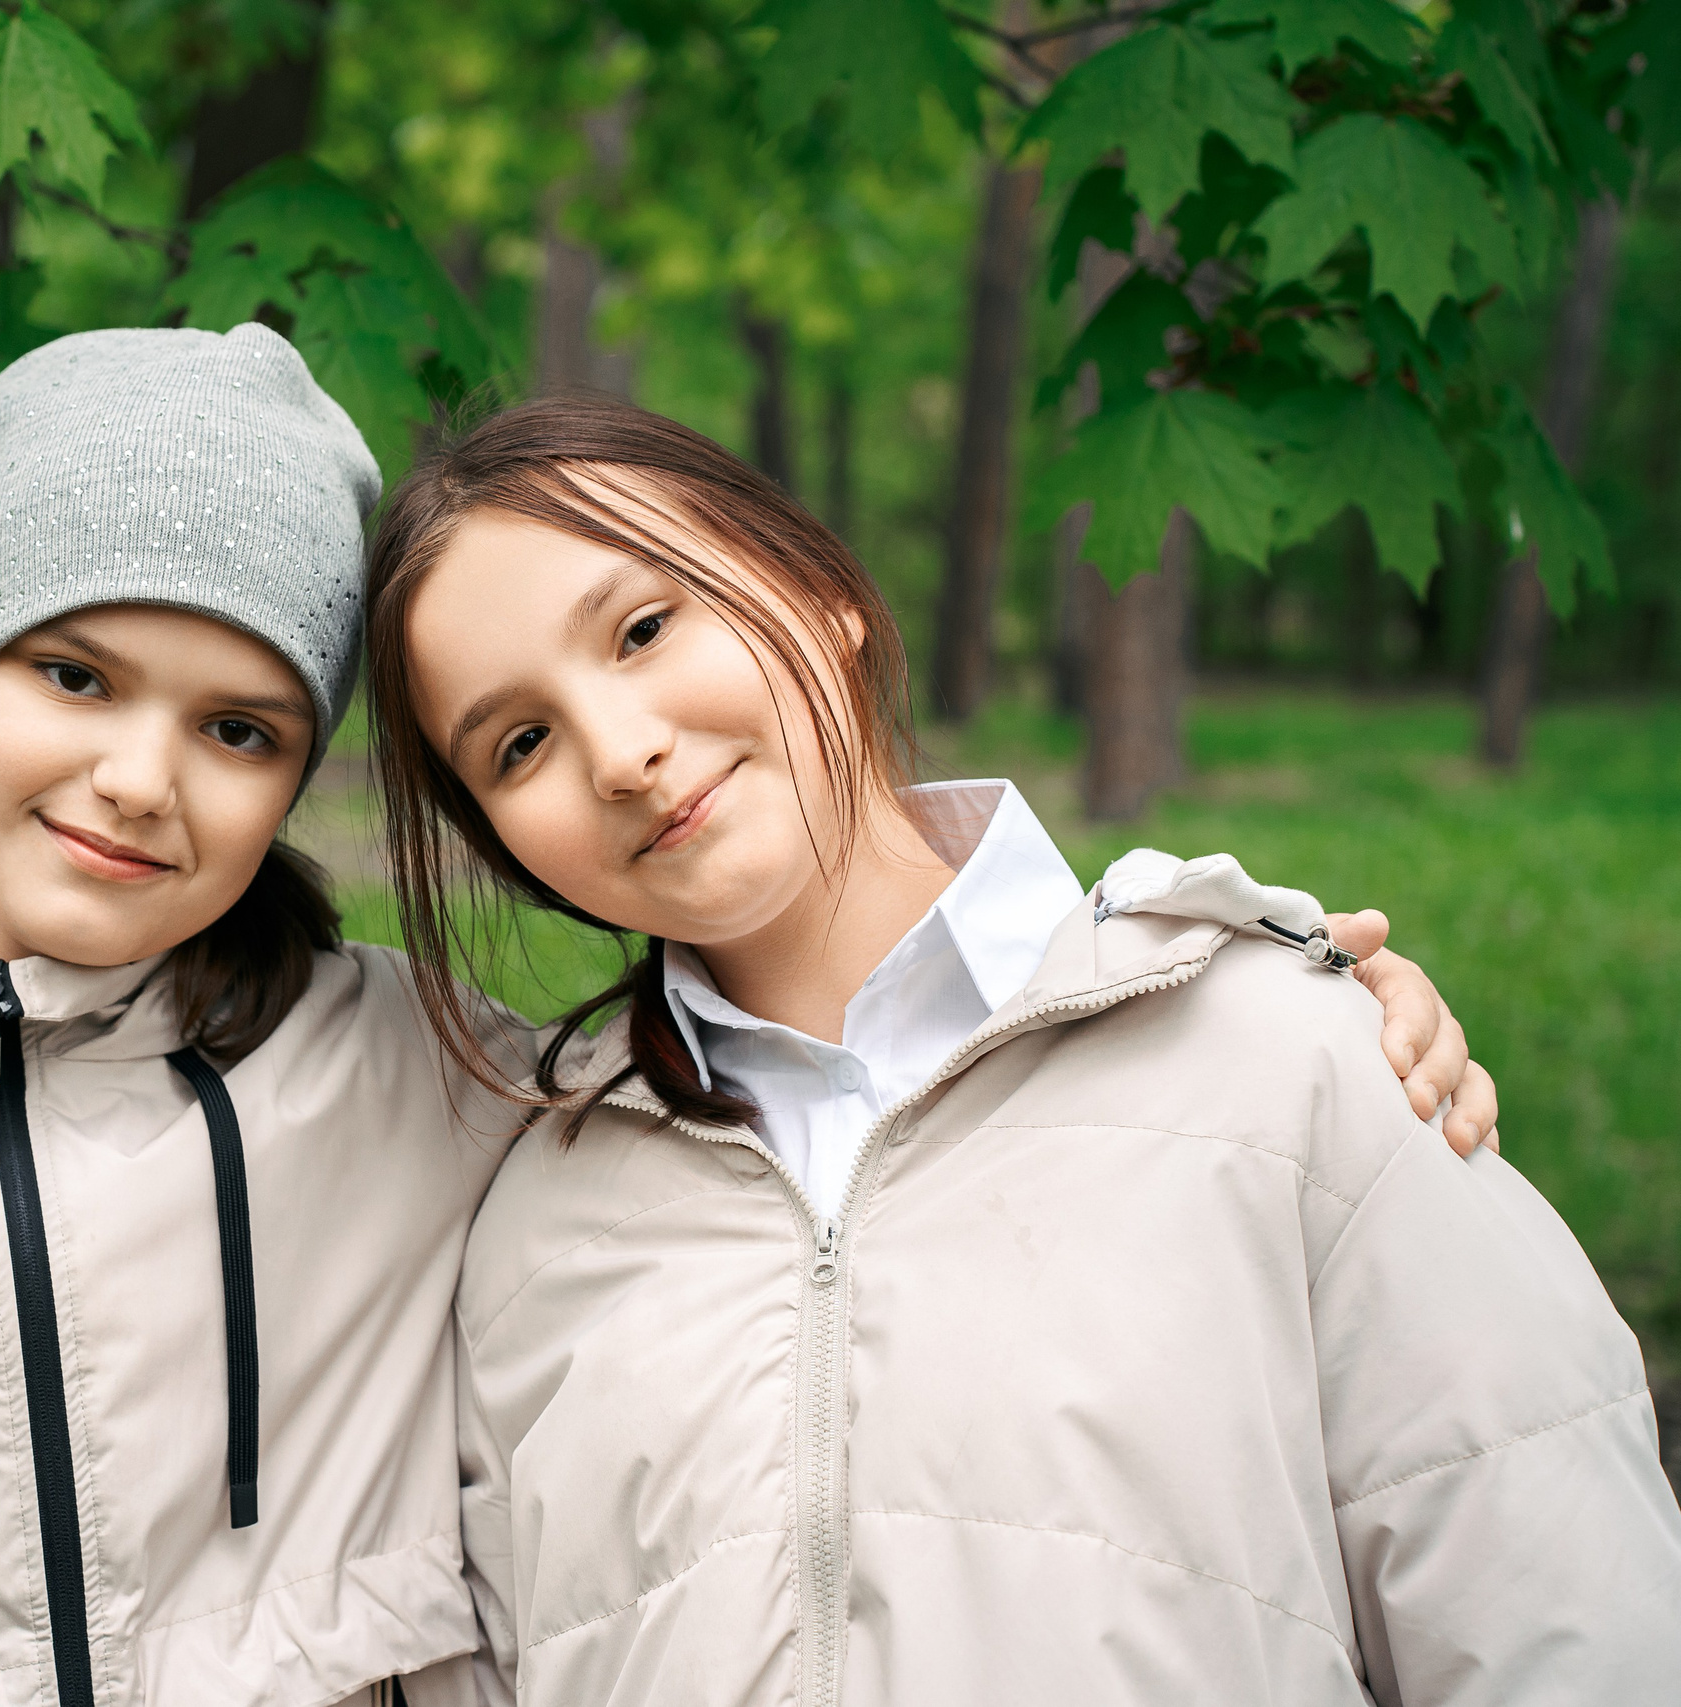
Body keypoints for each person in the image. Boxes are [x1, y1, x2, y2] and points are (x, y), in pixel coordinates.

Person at [0, 330, 1494, 1707]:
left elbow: (832, 1129)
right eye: (73, 675)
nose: (138, 776)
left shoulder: (437, 1080)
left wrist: (1269, 973)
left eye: (238, 726)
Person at [366, 395, 1681, 1706]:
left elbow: (1568, 1634)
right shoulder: (527, 1229)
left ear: (827, 596)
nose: (620, 753)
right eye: (520, 743)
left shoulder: (1293, 1061)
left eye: (646, 628)